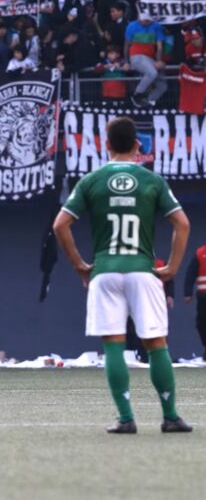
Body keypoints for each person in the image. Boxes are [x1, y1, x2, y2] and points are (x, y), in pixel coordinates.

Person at [53, 116, 192, 434]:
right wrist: (171, 266)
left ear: (105, 144)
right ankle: (170, 417)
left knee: (113, 344)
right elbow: (182, 223)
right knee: (156, 343)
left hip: (104, 272)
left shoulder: (91, 180)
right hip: (144, 271)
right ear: (137, 145)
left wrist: (79, 264)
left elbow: (61, 224)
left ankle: (126, 419)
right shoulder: (151, 180)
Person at [125, 13, 167, 108]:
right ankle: (137, 94)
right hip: (136, 56)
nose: (144, 21)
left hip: (150, 58)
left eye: (147, 20)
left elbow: (159, 47)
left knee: (162, 86)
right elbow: (126, 46)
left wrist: (159, 61)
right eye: (142, 19)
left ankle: (146, 102)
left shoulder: (157, 26)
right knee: (152, 73)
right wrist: (127, 62)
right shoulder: (132, 26)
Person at [184, 243, 206, 359]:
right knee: (201, 323)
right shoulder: (200, 253)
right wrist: (188, 292)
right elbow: (190, 273)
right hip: (203, 296)